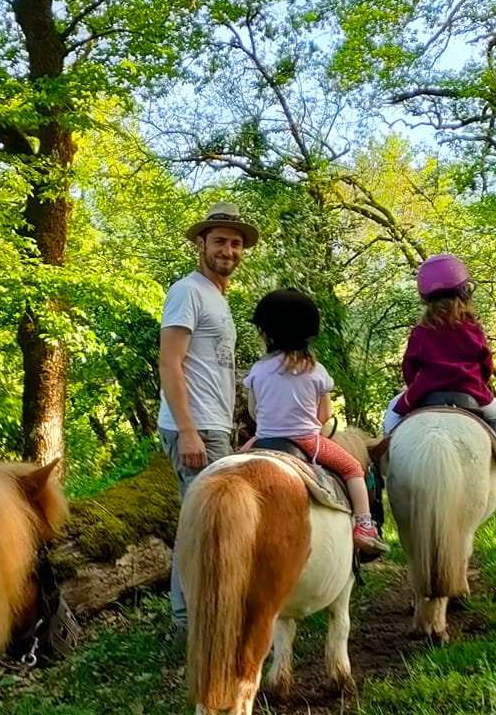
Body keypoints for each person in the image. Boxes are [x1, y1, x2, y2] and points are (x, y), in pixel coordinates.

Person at [159, 204, 255, 629]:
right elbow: (170, 363)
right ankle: (189, 624)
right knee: (202, 528)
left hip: (213, 426)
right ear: (201, 243)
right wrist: (187, 431)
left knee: (211, 525)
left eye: (235, 243)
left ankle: (205, 618)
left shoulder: (217, 297)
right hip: (194, 428)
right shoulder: (188, 291)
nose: (228, 250)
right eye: (219, 241)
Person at [244, 289, 386, 556]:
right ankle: (365, 526)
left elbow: (254, 411)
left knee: (228, 467)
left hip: (262, 440)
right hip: (307, 442)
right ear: (308, 333)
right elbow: (325, 415)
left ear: (266, 333)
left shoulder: (258, 369)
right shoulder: (316, 371)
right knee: (353, 468)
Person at [381, 254, 496, 481]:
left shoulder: (421, 330)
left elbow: (409, 366)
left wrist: (413, 387)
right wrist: (481, 383)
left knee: (392, 411)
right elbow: (486, 362)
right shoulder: (472, 327)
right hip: (470, 391)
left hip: (425, 391)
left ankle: (385, 464)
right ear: (463, 291)